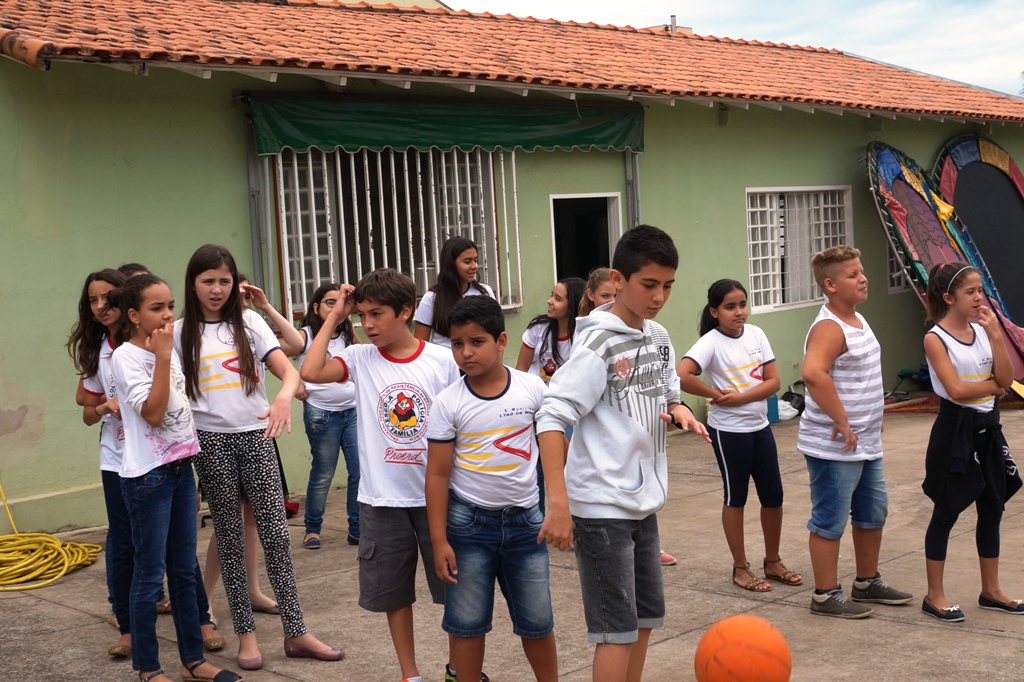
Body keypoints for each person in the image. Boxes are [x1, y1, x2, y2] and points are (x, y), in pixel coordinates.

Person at [535, 225, 709, 682]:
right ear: (618, 279)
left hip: (641, 501)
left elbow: (669, 390)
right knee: (616, 632)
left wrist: (679, 409)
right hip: (600, 506)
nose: (659, 296)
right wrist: (558, 503)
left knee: (644, 619)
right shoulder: (598, 344)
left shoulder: (658, 335)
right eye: (649, 284)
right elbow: (551, 416)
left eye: (668, 285)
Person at [175, 244, 343, 670]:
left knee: (276, 536)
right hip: (210, 443)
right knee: (230, 539)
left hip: (257, 437)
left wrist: (284, 396)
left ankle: (296, 632)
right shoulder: (178, 333)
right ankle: (246, 638)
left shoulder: (249, 322)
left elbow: (289, 369)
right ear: (193, 284)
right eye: (208, 281)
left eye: (224, 281)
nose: (217, 289)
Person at [300, 268, 465, 682]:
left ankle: (458, 668)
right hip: (381, 500)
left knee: (456, 591)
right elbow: (311, 371)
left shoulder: (442, 360)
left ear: (405, 311)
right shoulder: (359, 358)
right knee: (394, 594)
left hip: (437, 498)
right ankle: (410, 674)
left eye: (377, 314)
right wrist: (335, 316)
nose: (368, 324)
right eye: (362, 316)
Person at [109, 272, 240, 682]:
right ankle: (148, 668)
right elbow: (153, 413)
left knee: (184, 569)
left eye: (170, 306)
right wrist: (163, 357)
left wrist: (192, 464)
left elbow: (180, 414)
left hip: (181, 469)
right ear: (134, 315)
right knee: (150, 574)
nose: (168, 315)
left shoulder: (166, 349)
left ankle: (192, 662)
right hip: (148, 478)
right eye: (156, 308)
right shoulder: (127, 357)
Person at [426, 295, 559, 682]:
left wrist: (559, 505)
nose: (466, 352)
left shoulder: (532, 389)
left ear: (501, 341)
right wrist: (439, 540)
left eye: (477, 342)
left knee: (538, 621)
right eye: (457, 343)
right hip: (468, 528)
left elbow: (555, 449)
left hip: (527, 525)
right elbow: (437, 474)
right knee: (467, 624)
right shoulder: (448, 403)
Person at [798, 245, 913, 618]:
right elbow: (813, 373)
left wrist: (871, 416)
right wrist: (842, 420)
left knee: (872, 512)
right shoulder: (829, 327)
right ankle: (825, 595)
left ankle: (867, 581)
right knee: (830, 519)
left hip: (865, 441)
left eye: (861, 272)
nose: (863, 279)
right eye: (852, 275)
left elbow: (859, 378)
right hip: (835, 446)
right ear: (830, 285)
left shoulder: (857, 319)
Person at [677, 279, 800, 592]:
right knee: (736, 497)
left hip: (760, 427)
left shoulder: (756, 334)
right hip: (729, 432)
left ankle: (772, 562)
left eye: (742, 305)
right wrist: (716, 395)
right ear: (714, 312)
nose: (738, 312)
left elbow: (773, 382)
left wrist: (741, 398)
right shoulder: (710, 342)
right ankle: (740, 569)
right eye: (730, 307)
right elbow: (682, 375)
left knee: (773, 495)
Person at [920, 262, 1022, 622]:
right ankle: (934, 595)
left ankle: (991, 590)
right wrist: (995, 387)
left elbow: (1008, 378)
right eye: (970, 292)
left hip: (988, 427)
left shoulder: (982, 330)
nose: (979, 298)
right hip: (955, 430)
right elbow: (956, 390)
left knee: (993, 508)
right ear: (949, 298)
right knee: (946, 510)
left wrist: (996, 336)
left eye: (980, 290)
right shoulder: (935, 338)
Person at [294, 282, 361, 548]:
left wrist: (349, 321)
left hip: (352, 410)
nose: (335, 307)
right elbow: (273, 355)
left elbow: (362, 357)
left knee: (358, 472)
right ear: (316, 307)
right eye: (329, 302)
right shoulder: (306, 335)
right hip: (321, 414)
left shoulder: (346, 332)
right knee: (323, 474)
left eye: (339, 302)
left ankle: (357, 528)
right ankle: (312, 529)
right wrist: (295, 384)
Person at [414, 236, 495, 348]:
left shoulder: (485, 293)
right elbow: (420, 346)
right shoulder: (431, 299)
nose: (474, 266)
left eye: (475, 260)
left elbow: (496, 336)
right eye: (467, 261)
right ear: (451, 264)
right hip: (442, 359)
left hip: (479, 359)